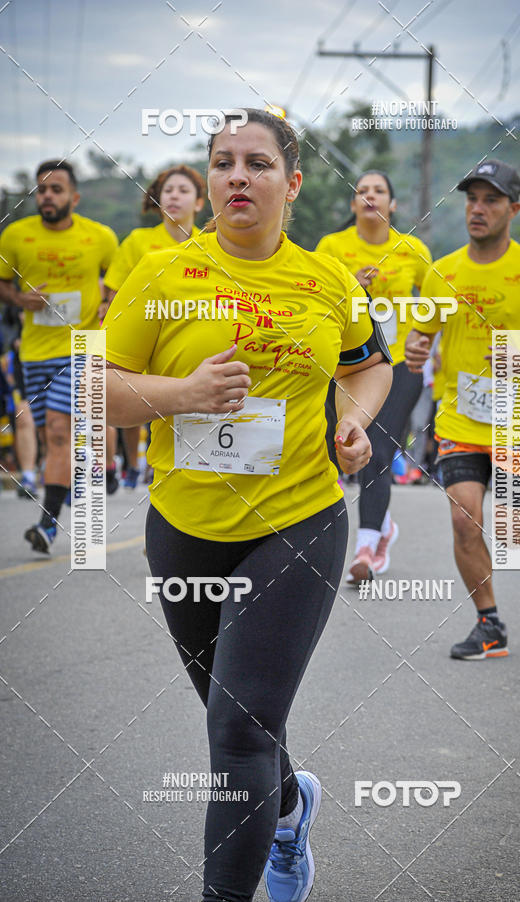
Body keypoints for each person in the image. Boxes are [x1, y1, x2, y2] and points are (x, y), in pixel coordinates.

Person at [103, 109, 392, 902]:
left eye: (257, 163)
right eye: (222, 161)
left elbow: (370, 367)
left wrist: (353, 419)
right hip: (187, 534)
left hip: (299, 525)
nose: (238, 175)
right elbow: (101, 389)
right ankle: (291, 806)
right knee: (245, 726)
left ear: (291, 184)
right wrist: (181, 394)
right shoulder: (163, 276)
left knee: (238, 731)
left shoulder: (327, 278)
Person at [405, 159, 520, 660]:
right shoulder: (444, 272)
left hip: (516, 420)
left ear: (514, 209)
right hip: (460, 417)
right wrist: (418, 349)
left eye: (491, 200)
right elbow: (422, 336)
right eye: (471, 200)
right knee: (465, 521)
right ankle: (489, 624)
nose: (477, 209)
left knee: (508, 535)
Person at [315, 171, 432, 581]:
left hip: (398, 366)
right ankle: (362, 533)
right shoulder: (332, 247)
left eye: (379, 190)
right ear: (353, 205)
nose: (369, 196)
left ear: (392, 205)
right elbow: (314, 301)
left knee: (378, 453)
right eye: (361, 191)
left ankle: (365, 551)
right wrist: (350, 287)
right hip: (343, 367)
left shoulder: (412, 249)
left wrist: (421, 339)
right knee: (334, 450)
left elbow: (431, 308)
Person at [0, 159, 118, 552]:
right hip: (33, 352)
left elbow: (115, 285)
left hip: (84, 346)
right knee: (52, 438)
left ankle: (47, 525)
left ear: (74, 196)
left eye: (55, 189)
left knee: (56, 430)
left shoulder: (101, 237)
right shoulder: (15, 236)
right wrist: (19, 298)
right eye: (41, 190)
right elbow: (2, 285)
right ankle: (75, 480)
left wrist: (107, 306)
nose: (46, 196)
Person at [101, 164, 206, 489]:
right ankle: (134, 464)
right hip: (140, 338)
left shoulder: (211, 243)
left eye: (183, 191)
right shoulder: (138, 241)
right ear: (159, 200)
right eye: (168, 191)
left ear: (199, 203)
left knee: (177, 402)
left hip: (183, 341)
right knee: (135, 403)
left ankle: (170, 468)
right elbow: (113, 294)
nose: (174, 196)